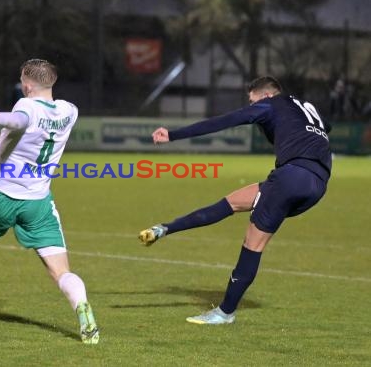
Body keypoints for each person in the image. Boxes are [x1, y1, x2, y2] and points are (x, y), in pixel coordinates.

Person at [139, 76, 332, 325]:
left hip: (291, 175)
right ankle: (165, 228)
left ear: (266, 96)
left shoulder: (270, 105)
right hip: (317, 182)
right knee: (232, 203)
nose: (251, 107)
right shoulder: (304, 106)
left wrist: (173, 135)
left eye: (252, 102)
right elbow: (326, 126)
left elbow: (225, 121)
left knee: (253, 242)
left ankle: (225, 312)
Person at [0, 59, 99, 344]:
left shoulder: (25, 106)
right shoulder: (70, 111)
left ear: (26, 85)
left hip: (2, 195)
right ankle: (82, 308)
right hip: (38, 201)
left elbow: (20, 121)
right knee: (61, 271)